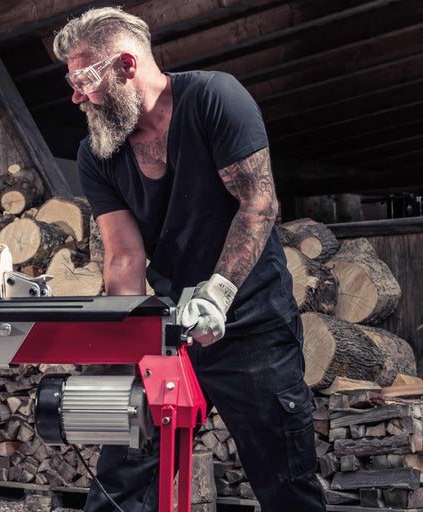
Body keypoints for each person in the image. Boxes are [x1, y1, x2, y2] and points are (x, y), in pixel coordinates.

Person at [52, 7, 326, 512]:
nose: (76, 95)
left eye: (85, 78)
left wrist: (218, 293)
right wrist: (122, 345)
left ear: (126, 66)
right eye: (71, 81)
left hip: (252, 323)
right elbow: (124, 257)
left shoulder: (215, 99)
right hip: (169, 327)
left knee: (286, 481)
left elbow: (259, 202)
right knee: (123, 475)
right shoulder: (98, 153)